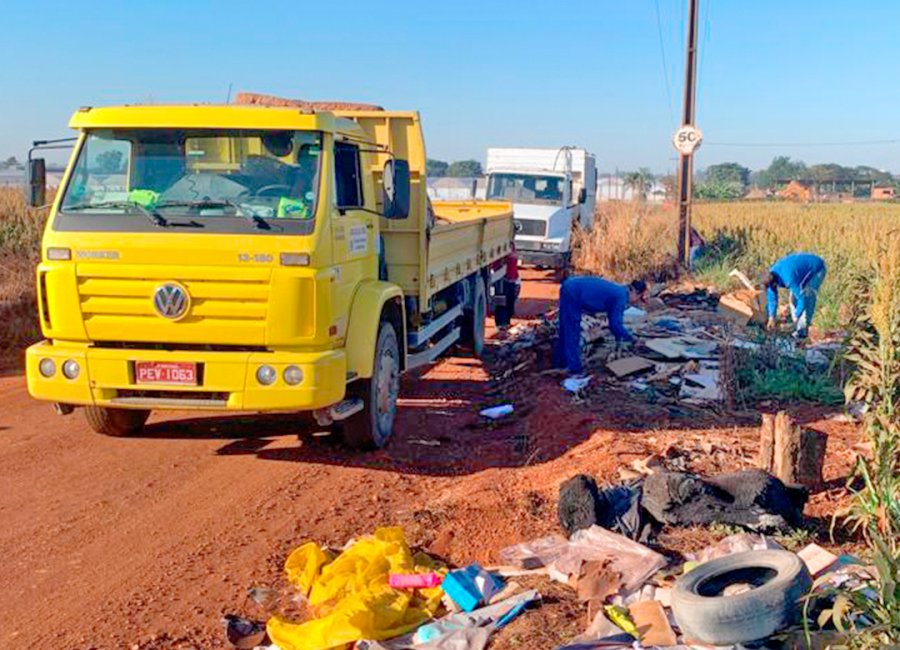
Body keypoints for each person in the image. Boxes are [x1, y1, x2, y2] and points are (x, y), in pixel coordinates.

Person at [554, 277, 648, 376]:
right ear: (634, 292)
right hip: (574, 292)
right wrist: (631, 339)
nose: (636, 301)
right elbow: (615, 324)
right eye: (638, 298)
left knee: (566, 328)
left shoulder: (619, 291)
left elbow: (613, 322)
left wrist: (619, 337)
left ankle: (560, 363)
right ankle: (574, 369)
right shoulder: (621, 297)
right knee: (572, 330)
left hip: (570, 286)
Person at [762, 252, 827, 339]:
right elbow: (772, 298)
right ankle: (797, 326)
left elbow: (802, 298)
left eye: (772, 286)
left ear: (775, 282)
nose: (771, 288)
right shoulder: (769, 277)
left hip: (816, 268)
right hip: (798, 272)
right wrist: (771, 317)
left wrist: (797, 315)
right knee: (793, 300)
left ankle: (803, 331)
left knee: (808, 296)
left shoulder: (789, 278)